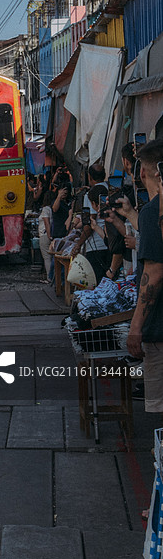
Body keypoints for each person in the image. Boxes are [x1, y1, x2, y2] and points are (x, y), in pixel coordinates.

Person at [120, 140, 163, 418]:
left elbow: (155, 271)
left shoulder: (152, 212)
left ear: (143, 173)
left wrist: (136, 327)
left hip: (160, 329)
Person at [38, 191, 53, 277]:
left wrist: (48, 234)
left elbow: (46, 222)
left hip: (44, 235)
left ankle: (49, 277)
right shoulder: (53, 208)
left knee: (47, 257)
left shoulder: (45, 209)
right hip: (50, 234)